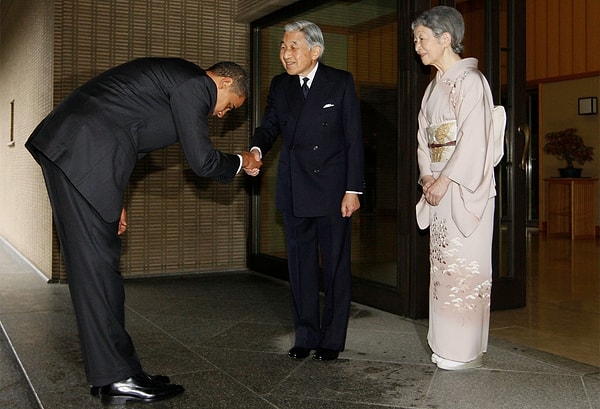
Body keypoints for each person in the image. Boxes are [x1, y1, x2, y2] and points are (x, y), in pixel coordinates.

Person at [25, 57, 262, 404]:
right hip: (81, 154)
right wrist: (243, 160)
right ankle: (117, 377)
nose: (222, 115)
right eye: (229, 107)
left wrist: (113, 195)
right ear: (225, 83)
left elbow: (125, 131)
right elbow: (203, 161)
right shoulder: (195, 85)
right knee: (97, 271)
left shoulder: (178, 82)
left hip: (85, 157)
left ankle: (115, 373)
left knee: (96, 269)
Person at [248, 21, 364, 361]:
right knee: (300, 268)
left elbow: (353, 139)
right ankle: (305, 335)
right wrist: (256, 150)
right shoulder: (280, 85)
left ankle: (331, 340)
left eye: (293, 47)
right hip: (294, 187)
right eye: (283, 47)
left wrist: (353, 189)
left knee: (335, 267)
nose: (286, 54)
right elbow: (269, 126)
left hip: (333, 191)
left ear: (315, 50)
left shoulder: (340, 82)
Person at [413, 6, 496, 370]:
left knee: (465, 267)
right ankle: (446, 342)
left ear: (445, 39)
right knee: (443, 268)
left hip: (461, 189)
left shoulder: (470, 81)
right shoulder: (434, 87)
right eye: (415, 40)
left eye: (422, 39)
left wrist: (445, 179)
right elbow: (423, 140)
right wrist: (427, 177)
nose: (417, 46)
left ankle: (462, 350)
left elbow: (475, 140)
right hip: (440, 188)